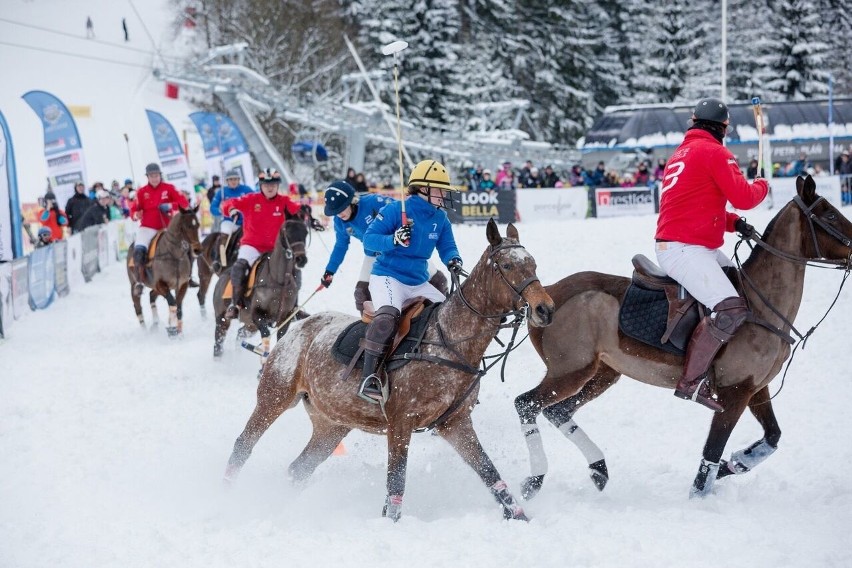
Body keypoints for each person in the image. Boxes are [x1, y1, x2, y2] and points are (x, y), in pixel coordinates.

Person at [655, 97, 769, 412]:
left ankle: (725, 357)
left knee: (741, 286)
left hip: (687, 243)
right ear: (724, 127)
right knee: (730, 308)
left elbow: (698, 203)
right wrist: (761, 185)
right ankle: (690, 383)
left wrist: (734, 223)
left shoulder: (682, 153)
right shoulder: (715, 152)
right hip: (684, 248)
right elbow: (745, 197)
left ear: (693, 122)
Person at [358, 159, 463, 404]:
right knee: (387, 317)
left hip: (418, 282)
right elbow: (369, 240)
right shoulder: (397, 209)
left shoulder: (441, 218)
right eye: (440, 190)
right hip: (388, 277)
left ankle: (448, 373)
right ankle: (370, 375)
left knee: (450, 315)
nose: (444, 195)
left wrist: (453, 260)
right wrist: (393, 239)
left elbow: (447, 246)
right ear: (423, 188)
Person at [321, 180, 449, 313]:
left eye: (342, 208)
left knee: (437, 280)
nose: (339, 214)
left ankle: (440, 315)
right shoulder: (339, 222)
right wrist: (330, 271)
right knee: (361, 294)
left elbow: (400, 209)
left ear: (352, 201)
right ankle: (378, 326)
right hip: (375, 255)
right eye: (335, 211)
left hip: (401, 251)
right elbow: (340, 246)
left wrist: (402, 230)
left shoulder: (373, 202)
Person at [220, 168, 302, 319]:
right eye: (266, 185)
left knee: (294, 267)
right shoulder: (251, 199)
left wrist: (308, 213)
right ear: (260, 186)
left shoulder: (284, 201)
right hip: (252, 246)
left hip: (277, 248)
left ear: (278, 186)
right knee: (240, 266)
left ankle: (294, 306)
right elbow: (227, 204)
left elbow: (298, 209)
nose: (270, 187)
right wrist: (231, 210)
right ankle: (235, 304)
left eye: (273, 184)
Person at [130, 163, 190, 295]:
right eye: (151, 176)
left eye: (156, 175)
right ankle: (140, 280)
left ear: (160, 175)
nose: (154, 178)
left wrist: (170, 206)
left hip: (167, 227)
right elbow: (133, 209)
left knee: (187, 244)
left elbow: (184, 203)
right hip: (148, 227)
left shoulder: (169, 188)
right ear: (148, 177)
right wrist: (136, 214)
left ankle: (189, 275)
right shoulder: (141, 192)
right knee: (139, 247)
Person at [209, 169, 255, 270]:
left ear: (239, 180)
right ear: (227, 181)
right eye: (230, 179)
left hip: (247, 221)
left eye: (235, 179)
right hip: (230, 222)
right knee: (225, 232)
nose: (233, 181)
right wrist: (222, 211)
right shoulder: (222, 192)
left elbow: (257, 202)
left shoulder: (247, 190)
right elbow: (213, 208)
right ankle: (219, 260)